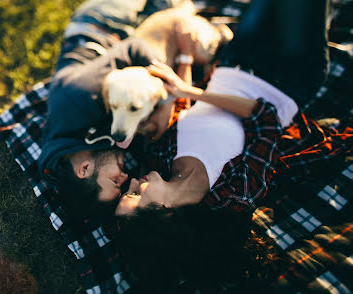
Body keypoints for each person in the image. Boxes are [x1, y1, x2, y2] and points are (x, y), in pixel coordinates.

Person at [115, 0, 330, 215]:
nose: (133, 182)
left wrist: (185, 56)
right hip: (288, 77)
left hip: (235, 60)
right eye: (135, 194)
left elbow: (183, 109)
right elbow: (266, 118)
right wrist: (190, 92)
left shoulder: (159, 160)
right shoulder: (235, 195)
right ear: (163, 210)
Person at [37, 0, 205, 213]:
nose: (126, 177)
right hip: (135, 37)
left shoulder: (78, 99)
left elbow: (136, 48)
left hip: (102, 24)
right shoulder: (79, 149)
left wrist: (166, 102)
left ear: (85, 169)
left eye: (115, 181)